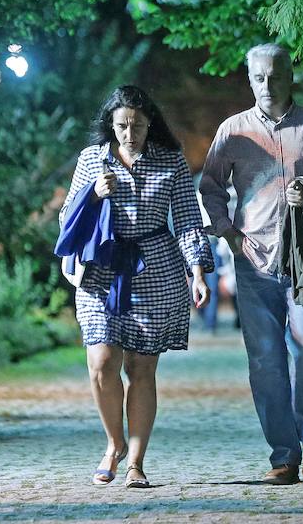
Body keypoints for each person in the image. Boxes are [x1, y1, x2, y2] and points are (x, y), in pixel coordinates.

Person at [200, 43, 303, 485]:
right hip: (253, 261)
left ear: (291, 76)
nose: (267, 85)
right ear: (249, 79)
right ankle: (283, 456)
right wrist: (227, 232)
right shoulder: (232, 130)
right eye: (258, 78)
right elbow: (209, 185)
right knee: (265, 360)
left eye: (274, 76)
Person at [59, 85, 213, 488]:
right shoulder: (91, 159)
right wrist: (93, 193)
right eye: (123, 125)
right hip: (101, 270)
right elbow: (66, 218)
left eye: (138, 125)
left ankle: (136, 463)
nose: (130, 133)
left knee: (141, 368)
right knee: (101, 362)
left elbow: (187, 219)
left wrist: (197, 271)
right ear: (111, 124)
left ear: (150, 124)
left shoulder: (171, 162)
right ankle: (114, 445)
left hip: (156, 269)